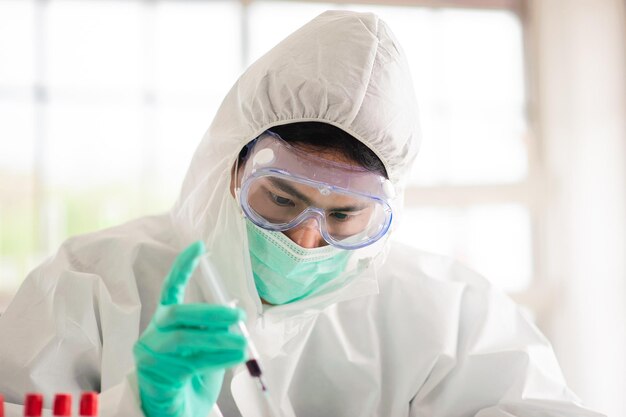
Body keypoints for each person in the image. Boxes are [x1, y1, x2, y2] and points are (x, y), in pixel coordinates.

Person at [0, 10, 604, 417]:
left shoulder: (455, 318)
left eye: (345, 215)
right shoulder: (93, 282)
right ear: (231, 167)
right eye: (283, 198)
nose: (306, 237)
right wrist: (134, 406)